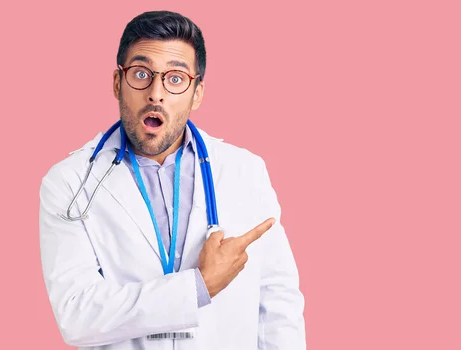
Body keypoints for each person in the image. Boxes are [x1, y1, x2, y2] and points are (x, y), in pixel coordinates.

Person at [39, 10, 305, 350]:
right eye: (141, 74)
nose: (156, 93)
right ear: (118, 83)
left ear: (197, 94)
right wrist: (199, 286)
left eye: (175, 78)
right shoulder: (69, 182)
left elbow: (278, 303)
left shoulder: (245, 171)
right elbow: (76, 316)